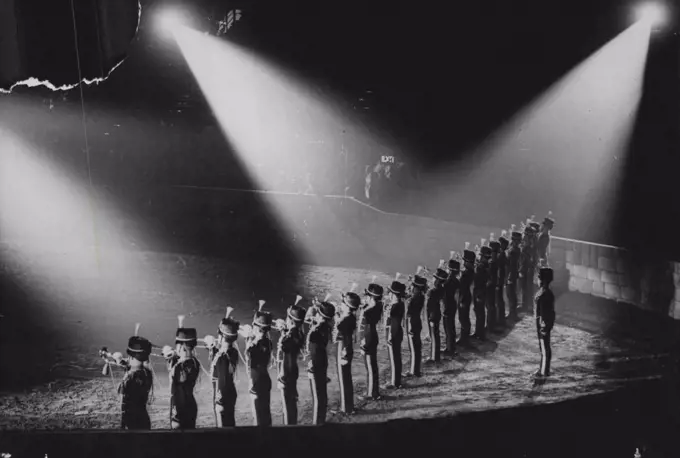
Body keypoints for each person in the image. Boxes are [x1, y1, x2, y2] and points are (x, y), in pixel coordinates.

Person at [163, 315, 201, 430]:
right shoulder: (195, 362)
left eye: (179, 345)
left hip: (179, 406)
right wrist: (180, 325)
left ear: (183, 347)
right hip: (190, 404)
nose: (177, 347)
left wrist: (177, 415)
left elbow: (179, 390)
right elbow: (182, 343)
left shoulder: (180, 366)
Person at [115, 326, 154, 430]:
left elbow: (123, 401)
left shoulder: (130, 378)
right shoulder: (147, 373)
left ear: (131, 356)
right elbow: (134, 367)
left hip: (131, 420)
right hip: (143, 418)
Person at [276, 297, 307, 426]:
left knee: (287, 403)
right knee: (291, 400)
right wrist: (285, 330)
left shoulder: (290, 336)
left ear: (291, 320)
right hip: (292, 370)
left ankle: (290, 428)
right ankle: (292, 423)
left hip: (286, 373)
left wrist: (282, 332)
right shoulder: (298, 333)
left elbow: (283, 350)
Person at [244, 301, 274, 426]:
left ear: (257, 327)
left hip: (256, 381)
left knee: (257, 416)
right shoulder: (268, 342)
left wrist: (248, 339)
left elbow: (248, 359)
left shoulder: (254, 346)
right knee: (266, 413)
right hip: (265, 379)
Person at [210, 308, 240, 427]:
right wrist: (213, 349)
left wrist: (219, 401)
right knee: (230, 423)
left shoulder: (222, 358)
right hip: (231, 392)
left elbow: (221, 380)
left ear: (222, 337)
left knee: (223, 428)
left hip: (222, 395)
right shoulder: (233, 352)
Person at [306, 300, 335, 424]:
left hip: (316, 363)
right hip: (323, 361)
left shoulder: (316, 331)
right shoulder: (327, 326)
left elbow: (309, 342)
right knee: (321, 392)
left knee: (318, 395)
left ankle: (318, 423)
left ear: (320, 315)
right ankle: (321, 419)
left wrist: (312, 315)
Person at [334, 286, 361, 414]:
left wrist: (336, 314)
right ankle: (349, 406)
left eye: (343, 303)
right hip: (347, 348)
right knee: (346, 378)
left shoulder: (345, 320)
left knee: (344, 379)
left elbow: (337, 329)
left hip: (344, 349)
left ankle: (347, 408)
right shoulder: (350, 317)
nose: (341, 305)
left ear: (347, 306)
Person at [359, 282, 384, 401]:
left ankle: (372, 394)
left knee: (370, 367)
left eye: (368, 296)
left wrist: (364, 345)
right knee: (372, 366)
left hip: (369, 336)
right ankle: (374, 391)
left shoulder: (370, 309)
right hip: (373, 335)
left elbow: (364, 313)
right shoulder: (378, 305)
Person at [384, 276, 406, 389]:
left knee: (394, 358)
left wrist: (390, 336)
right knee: (397, 357)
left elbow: (395, 323)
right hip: (397, 333)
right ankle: (397, 380)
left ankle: (395, 382)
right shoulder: (399, 304)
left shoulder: (395, 306)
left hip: (394, 333)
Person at [534, 267, 556, 378]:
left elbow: (545, 313)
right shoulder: (545, 292)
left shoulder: (544, 294)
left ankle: (543, 372)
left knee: (544, 349)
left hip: (543, 326)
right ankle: (543, 369)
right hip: (543, 325)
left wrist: (544, 327)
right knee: (544, 348)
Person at [405, 271, 427, 378]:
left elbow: (408, 311)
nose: (411, 288)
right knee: (416, 347)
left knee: (414, 348)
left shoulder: (416, 298)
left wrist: (407, 300)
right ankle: (415, 369)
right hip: (416, 322)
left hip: (413, 323)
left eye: (413, 287)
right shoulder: (419, 297)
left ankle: (414, 371)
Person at [425, 268, 448, 363]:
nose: (433, 279)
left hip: (433, 315)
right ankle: (435, 355)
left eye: (435, 278)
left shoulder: (433, 291)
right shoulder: (441, 289)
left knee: (434, 336)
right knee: (435, 335)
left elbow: (428, 294)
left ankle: (434, 357)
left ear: (438, 280)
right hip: (436, 313)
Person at [472, 245, 492, 340]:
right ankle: (479, 332)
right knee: (480, 312)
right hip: (483, 290)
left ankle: (479, 333)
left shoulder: (481, 267)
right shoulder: (486, 266)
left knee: (479, 313)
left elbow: (477, 279)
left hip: (479, 291)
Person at [457, 247, 476, 345]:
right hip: (466, 296)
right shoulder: (470, 271)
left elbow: (462, 286)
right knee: (464, 318)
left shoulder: (467, 273)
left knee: (463, 318)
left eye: (465, 261)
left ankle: (464, 339)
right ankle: (464, 338)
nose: (463, 263)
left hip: (464, 297)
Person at [443, 257, 461, 356]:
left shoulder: (448, 281)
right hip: (452, 305)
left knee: (448, 328)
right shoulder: (456, 281)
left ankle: (450, 349)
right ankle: (450, 347)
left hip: (448, 305)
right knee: (451, 327)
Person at [506, 228, 523, 322]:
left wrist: (509, 277)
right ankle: (513, 313)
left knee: (511, 294)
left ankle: (513, 314)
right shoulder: (515, 250)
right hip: (512, 274)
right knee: (511, 294)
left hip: (511, 274)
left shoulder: (514, 251)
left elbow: (511, 265)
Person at [519, 223, 536, 311]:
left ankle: (528, 306)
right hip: (525, 268)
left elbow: (530, 259)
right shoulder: (527, 246)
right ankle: (525, 305)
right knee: (525, 287)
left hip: (528, 269)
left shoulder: (530, 247)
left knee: (527, 287)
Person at [496, 231, 510, 328]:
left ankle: (499, 319)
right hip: (501, 279)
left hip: (499, 279)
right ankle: (501, 318)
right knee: (500, 299)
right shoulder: (503, 254)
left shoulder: (501, 255)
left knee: (498, 300)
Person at [487, 239, 500, 332]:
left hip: (490, 287)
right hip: (494, 285)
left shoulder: (492, 262)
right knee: (492, 306)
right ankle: (492, 325)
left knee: (490, 306)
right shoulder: (495, 260)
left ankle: (490, 326)